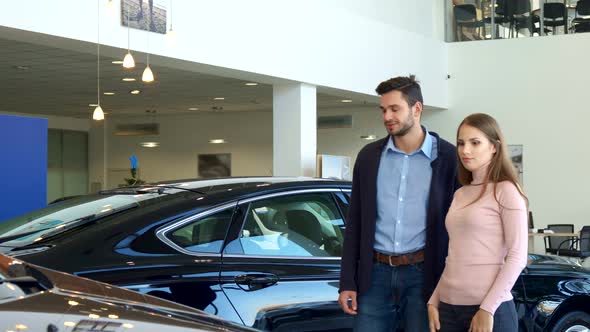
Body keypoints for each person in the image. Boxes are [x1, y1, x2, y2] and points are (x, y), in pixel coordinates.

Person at [338, 75, 460, 331]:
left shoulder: (448, 157)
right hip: (374, 276)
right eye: (383, 110)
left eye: (395, 109)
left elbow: (458, 228)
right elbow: (355, 222)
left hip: (424, 275)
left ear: (417, 109)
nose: (387, 117)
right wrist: (347, 281)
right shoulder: (369, 157)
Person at [427, 113, 528, 332]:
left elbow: (518, 257)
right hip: (448, 308)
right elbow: (454, 255)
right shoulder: (460, 194)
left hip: (489, 310)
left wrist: (487, 309)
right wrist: (434, 300)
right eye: (461, 143)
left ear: (494, 147)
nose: (465, 150)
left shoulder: (507, 191)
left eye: (475, 143)